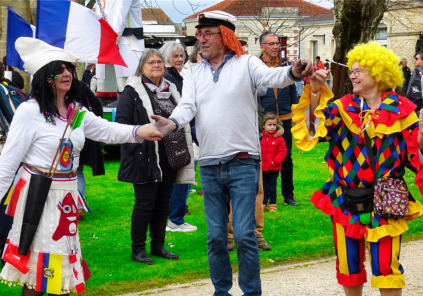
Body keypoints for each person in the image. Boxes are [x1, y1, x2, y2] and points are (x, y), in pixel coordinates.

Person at [151, 10, 313, 295]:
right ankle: (221, 291)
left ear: (225, 36)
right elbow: (187, 105)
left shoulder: (247, 64)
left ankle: (251, 292)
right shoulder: (195, 71)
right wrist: (172, 123)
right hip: (210, 164)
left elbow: (272, 76)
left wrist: (292, 72)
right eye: (198, 35)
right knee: (215, 237)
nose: (200, 40)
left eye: (207, 34)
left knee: (243, 235)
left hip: (243, 163)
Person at [0, 37, 162, 296]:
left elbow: (105, 129)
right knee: (41, 271)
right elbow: (7, 163)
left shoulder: (76, 111)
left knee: (60, 267)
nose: (67, 73)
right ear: (46, 77)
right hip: (38, 199)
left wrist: (140, 130)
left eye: (69, 68)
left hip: (66, 198)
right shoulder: (29, 112)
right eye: (59, 69)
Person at [292, 41, 423, 296]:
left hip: (387, 200)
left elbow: (414, 157)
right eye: (351, 70)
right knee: (348, 265)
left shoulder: (403, 111)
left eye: (358, 70)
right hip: (344, 198)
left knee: (386, 267)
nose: (352, 75)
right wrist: (316, 91)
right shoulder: (343, 108)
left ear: (377, 72)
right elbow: (312, 130)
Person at [116, 49, 195, 265]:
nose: (156, 65)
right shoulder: (132, 91)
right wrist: (142, 132)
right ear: (142, 67)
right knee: (145, 204)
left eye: (159, 61)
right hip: (145, 156)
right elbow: (122, 125)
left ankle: (158, 245)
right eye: (150, 62)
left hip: (170, 156)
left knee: (163, 203)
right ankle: (138, 249)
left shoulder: (172, 90)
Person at [158, 41, 197, 232]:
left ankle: (174, 216)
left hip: (181, 129)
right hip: (179, 131)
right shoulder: (169, 78)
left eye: (182, 56)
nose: (180, 59)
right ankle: (175, 219)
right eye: (176, 56)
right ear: (167, 58)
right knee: (183, 173)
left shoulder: (175, 76)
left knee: (179, 174)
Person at [259, 31, 299, 206]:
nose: (276, 47)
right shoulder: (256, 66)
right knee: (263, 156)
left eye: (277, 44)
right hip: (264, 119)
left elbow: (292, 90)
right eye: (272, 44)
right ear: (262, 47)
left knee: (287, 157)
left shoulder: (285, 64)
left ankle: (288, 195)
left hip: (285, 118)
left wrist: (293, 111)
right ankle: (263, 194)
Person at [261, 113, 287, 212]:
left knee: (272, 187)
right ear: (263, 125)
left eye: (274, 125)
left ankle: (272, 204)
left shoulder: (279, 138)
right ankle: (263, 204)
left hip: (274, 168)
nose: (272, 127)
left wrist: (275, 162)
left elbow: (283, 152)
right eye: (269, 125)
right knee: (262, 187)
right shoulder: (259, 137)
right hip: (262, 168)